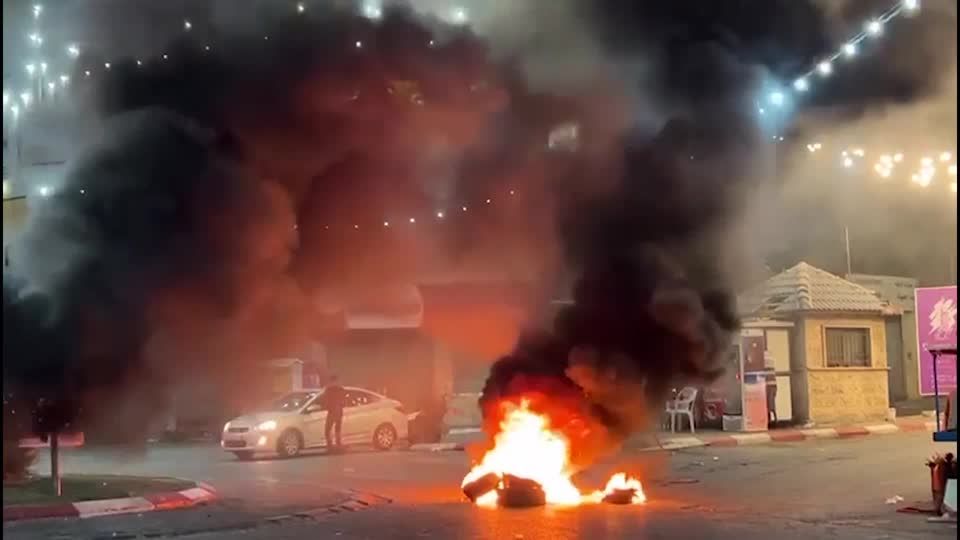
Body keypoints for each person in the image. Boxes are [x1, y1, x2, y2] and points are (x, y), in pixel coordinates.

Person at [323, 376, 346, 451]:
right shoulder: (341, 389)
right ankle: (338, 444)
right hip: (339, 411)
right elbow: (343, 401)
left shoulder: (328, 390)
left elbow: (326, 401)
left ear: (331, 381)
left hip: (332, 411)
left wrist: (327, 407)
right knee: (337, 428)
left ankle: (330, 445)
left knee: (327, 429)